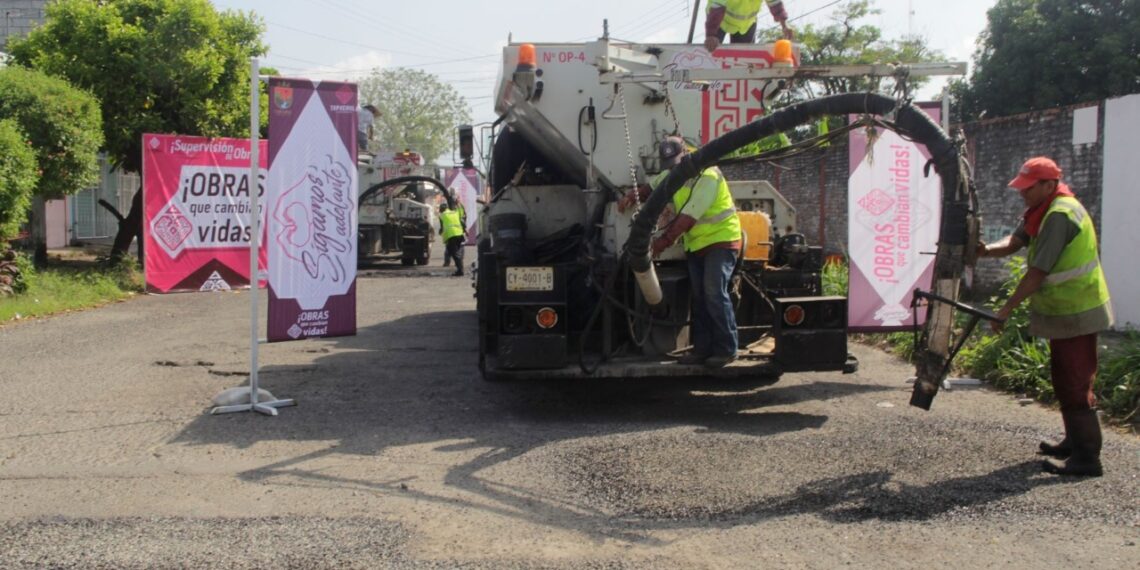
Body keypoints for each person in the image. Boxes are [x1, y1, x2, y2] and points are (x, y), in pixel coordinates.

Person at [978, 156, 1113, 477]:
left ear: (1049, 185)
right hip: (1065, 310)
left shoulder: (1059, 215)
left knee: (1075, 383)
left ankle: (1087, 458)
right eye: (1021, 187)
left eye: (1028, 188)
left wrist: (1005, 310)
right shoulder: (1042, 209)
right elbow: (1014, 242)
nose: (1022, 193)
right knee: (1064, 378)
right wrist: (984, 250)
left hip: (1078, 309)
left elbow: (1038, 272)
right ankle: (1073, 442)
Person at [640, 136, 742, 368]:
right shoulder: (675, 172)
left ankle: (727, 349)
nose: (673, 169)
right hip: (696, 245)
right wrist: (632, 196)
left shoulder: (708, 175)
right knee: (699, 298)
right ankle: (702, 349)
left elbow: (687, 218)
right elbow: (655, 186)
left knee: (714, 293)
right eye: (669, 166)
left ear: (686, 154)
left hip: (721, 241)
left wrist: (662, 243)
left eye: (675, 164)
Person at [704, 0, 792, 53]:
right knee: (711, 50)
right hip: (719, 21)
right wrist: (711, 34)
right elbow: (717, 7)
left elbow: (774, 2)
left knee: (743, 59)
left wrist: (784, 25)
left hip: (746, 24)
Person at [439, 202, 465, 276]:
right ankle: (459, 268)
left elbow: (442, 227)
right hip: (459, 234)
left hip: (452, 235)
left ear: (441, 209)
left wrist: (440, 232)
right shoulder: (455, 212)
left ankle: (460, 271)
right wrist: (458, 203)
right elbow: (461, 213)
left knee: (455, 253)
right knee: (457, 252)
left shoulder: (442, 215)